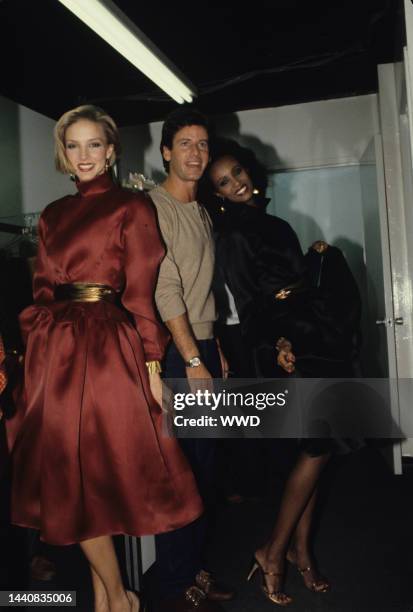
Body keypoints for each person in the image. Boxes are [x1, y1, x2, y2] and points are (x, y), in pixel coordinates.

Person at [5, 105, 203, 612]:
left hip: (110, 347)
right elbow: (44, 287)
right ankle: (111, 599)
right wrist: (39, 348)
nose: (84, 155)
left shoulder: (133, 208)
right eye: (74, 146)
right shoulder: (51, 214)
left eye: (94, 144)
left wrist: (154, 366)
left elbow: (141, 292)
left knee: (98, 474)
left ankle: (117, 597)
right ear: (63, 155)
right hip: (56, 350)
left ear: (112, 151)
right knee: (72, 476)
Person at [206, 141, 361, 606]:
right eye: (224, 183)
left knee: (317, 448)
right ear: (218, 195)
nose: (237, 184)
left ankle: (298, 550)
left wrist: (316, 261)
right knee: (315, 447)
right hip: (280, 343)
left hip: (308, 334)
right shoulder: (234, 232)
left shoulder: (274, 222)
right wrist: (281, 343)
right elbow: (252, 301)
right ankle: (273, 551)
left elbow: (289, 284)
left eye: (237, 173)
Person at [149, 108, 233, 612]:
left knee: (205, 469)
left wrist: (213, 344)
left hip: (202, 347)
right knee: (182, 474)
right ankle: (177, 585)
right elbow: (166, 288)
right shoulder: (154, 208)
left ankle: (192, 568)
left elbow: (204, 288)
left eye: (202, 144)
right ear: (165, 152)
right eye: (185, 143)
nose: (196, 153)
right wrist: (193, 358)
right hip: (180, 356)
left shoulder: (201, 210)